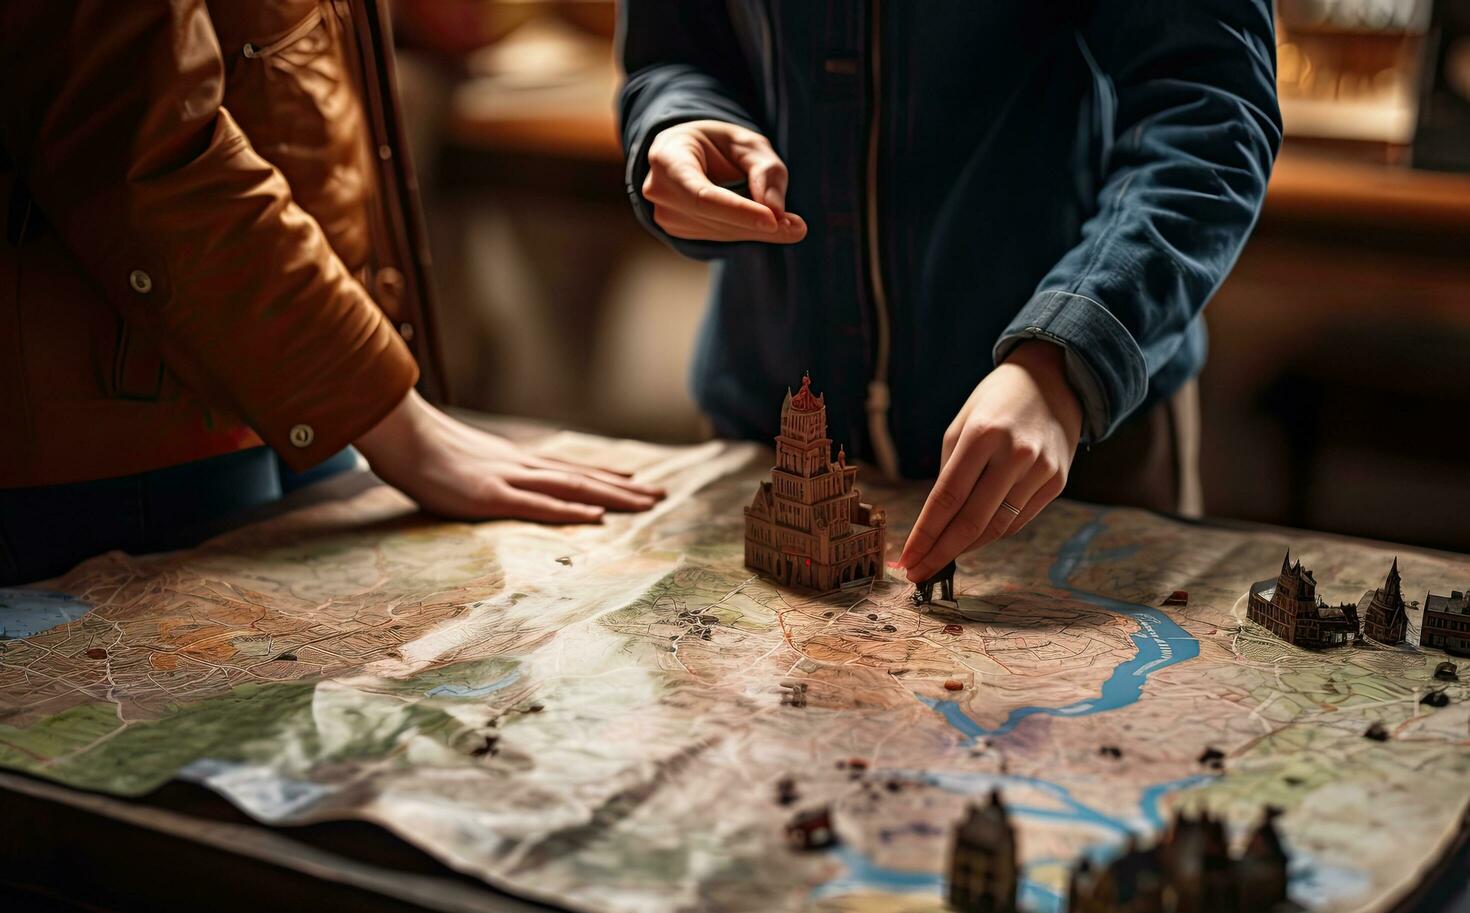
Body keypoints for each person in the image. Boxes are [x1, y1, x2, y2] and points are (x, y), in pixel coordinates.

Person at [0, 0, 661, 586]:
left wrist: (372, 400)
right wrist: (382, 408)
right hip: (144, 425)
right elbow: (135, 136)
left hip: (291, 376)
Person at [618, 2, 1281, 585]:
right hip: (761, 419)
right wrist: (678, 120)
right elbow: (672, 54)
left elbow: (1210, 104)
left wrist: (1064, 360)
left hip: (1074, 444)